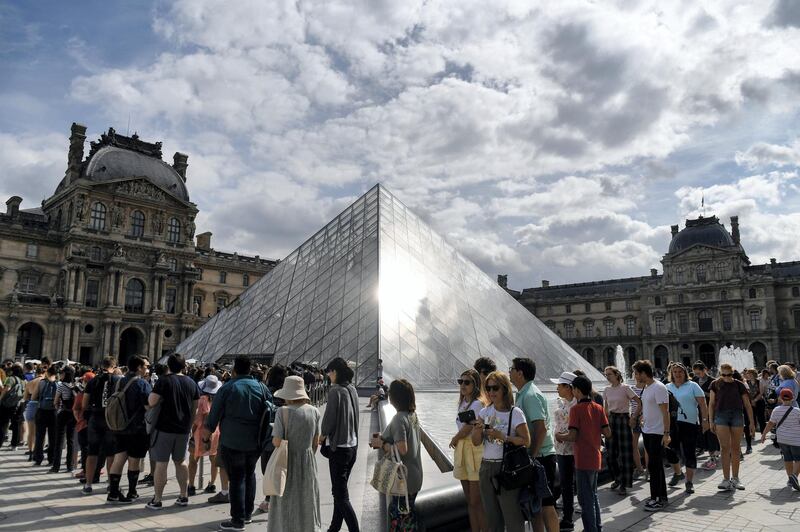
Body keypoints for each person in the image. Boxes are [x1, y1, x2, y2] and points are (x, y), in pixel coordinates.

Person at [204, 355, 273, 532]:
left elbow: (214, 416)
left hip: (232, 441)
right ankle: (247, 515)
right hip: (255, 442)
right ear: (250, 369)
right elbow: (271, 411)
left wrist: (207, 435)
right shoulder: (261, 387)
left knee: (236, 479)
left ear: (234, 369)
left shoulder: (228, 387)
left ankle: (237, 520)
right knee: (250, 475)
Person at [471, 371, 529, 532]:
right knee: (492, 517)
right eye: (487, 388)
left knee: (512, 518)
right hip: (486, 467)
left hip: (506, 469)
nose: (490, 392)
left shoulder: (515, 413)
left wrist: (503, 436)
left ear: (504, 389)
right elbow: (476, 442)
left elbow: (526, 440)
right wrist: (476, 430)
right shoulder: (484, 412)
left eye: (495, 388)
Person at [555, 375, 610, 532]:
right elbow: (607, 432)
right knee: (593, 495)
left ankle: (590, 529)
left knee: (584, 499)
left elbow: (572, 436)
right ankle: (597, 527)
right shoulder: (598, 408)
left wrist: (559, 436)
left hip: (582, 459)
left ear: (577, 390)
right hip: (596, 456)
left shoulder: (576, 409)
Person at [510, 357, 559, 532]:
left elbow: (541, 429)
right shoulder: (524, 392)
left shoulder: (530, 395)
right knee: (536, 505)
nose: (509, 371)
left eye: (512, 368)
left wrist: (532, 455)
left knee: (546, 504)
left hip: (542, 457)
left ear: (520, 373)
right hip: (539, 455)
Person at [268, 375, 322, 532]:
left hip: (286, 462)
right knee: (306, 500)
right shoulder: (314, 411)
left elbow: (277, 441)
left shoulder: (282, 412)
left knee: (285, 502)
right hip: (307, 462)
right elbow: (315, 441)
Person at [147, 354, 199, 509]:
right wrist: (189, 427)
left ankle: (157, 499)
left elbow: (152, 402)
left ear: (168, 366)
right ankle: (184, 495)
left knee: (161, 463)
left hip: (164, 428)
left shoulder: (164, 380)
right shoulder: (191, 383)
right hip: (183, 429)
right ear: (184, 366)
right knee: (181, 462)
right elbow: (194, 408)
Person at [372, 379, 423, 531]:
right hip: (415, 474)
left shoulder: (399, 418)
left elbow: (402, 449)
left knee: (399, 517)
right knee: (407, 513)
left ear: (395, 397)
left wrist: (382, 444)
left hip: (403, 478)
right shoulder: (412, 415)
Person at [320, 358, 360, 532]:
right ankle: (334, 528)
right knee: (339, 491)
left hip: (339, 449)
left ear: (335, 372)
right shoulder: (352, 389)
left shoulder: (335, 391)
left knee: (341, 495)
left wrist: (321, 435)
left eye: (329, 372)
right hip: (352, 447)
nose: (328, 375)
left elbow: (328, 420)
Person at [107, 356, 152, 504]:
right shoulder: (142, 383)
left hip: (119, 426)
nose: (147, 368)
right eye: (145, 366)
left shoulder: (119, 380)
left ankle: (113, 492)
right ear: (139, 367)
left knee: (119, 458)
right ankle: (132, 492)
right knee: (134, 460)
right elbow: (148, 406)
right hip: (137, 427)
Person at [449, 369, 487, 532]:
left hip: (474, 451)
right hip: (463, 451)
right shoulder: (463, 403)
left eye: (467, 382)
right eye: (460, 381)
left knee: (476, 501)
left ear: (475, 385)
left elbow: (469, 427)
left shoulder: (478, 404)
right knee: (470, 501)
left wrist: (455, 438)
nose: (462, 385)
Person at [709, 362, 755, 491]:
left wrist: (751, 422)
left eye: (729, 374)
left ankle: (735, 478)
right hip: (721, 415)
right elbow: (711, 404)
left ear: (733, 373)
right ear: (720, 374)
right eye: (724, 375)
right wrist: (711, 421)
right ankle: (725, 479)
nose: (726, 377)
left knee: (735, 448)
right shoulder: (715, 384)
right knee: (724, 448)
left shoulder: (739, 385)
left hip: (737, 415)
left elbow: (747, 404)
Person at [632, 360, 670, 512]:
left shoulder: (659, 387)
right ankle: (661, 496)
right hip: (647, 430)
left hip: (657, 432)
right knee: (655, 466)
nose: (634, 376)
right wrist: (642, 418)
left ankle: (656, 499)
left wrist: (666, 433)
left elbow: (665, 412)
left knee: (654, 467)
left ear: (643, 373)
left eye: (636, 373)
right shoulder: (646, 388)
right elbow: (649, 407)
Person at [664, 363, 708, 494]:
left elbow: (702, 404)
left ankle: (689, 482)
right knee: (669, 450)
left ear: (685, 373)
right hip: (672, 424)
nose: (677, 374)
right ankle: (678, 473)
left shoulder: (692, 385)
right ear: (671, 373)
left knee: (689, 452)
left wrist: (705, 420)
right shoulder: (667, 387)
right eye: (675, 372)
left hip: (689, 423)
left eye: (680, 372)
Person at [82, 357, 121, 494]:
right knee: (111, 454)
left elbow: (84, 404)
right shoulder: (118, 381)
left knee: (92, 452)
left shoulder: (93, 381)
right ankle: (111, 484)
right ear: (114, 366)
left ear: (101, 365)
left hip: (95, 418)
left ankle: (88, 484)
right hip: (111, 420)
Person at [602, 365, 641, 496]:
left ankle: (624, 483)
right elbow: (605, 409)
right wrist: (604, 424)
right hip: (611, 420)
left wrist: (634, 417)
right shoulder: (606, 389)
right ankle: (617, 478)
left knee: (625, 453)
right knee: (610, 454)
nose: (607, 376)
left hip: (624, 419)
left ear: (617, 375)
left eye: (609, 374)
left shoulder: (626, 388)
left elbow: (639, 402)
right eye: (606, 374)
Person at [255, 364, 287, 512]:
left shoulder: (266, 391)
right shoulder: (288, 394)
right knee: (282, 470)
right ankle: (280, 499)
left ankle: (269, 500)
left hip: (269, 436)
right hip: (286, 437)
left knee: (267, 469)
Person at [550, 371, 577, 531]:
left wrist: (561, 435)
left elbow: (573, 431)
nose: (557, 388)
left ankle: (568, 518)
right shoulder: (564, 403)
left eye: (559, 385)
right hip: (561, 449)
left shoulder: (574, 405)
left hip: (569, 451)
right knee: (566, 484)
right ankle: (567, 515)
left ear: (568, 387)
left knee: (567, 485)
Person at [188, 374, 221, 497]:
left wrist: (192, 431)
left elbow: (197, 420)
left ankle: (191, 485)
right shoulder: (219, 400)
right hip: (215, 432)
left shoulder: (201, 400)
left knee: (193, 460)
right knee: (214, 460)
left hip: (200, 433)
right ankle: (212, 484)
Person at [761, 388, 800, 491]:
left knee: (787, 459)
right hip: (796, 439)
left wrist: (764, 434)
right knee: (798, 459)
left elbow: (770, 423)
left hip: (782, 439)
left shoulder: (776, 410)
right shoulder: (797, 411)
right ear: (792, 399)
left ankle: (789, 479)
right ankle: (794, 477)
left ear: (780, 398)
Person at [692, 361, 719, 469]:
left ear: (705, 370)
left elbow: (717, 397)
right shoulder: (694, 381)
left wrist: (703, 394)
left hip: (710, 410)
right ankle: (710, 453)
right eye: (696, 374)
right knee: (702, 433)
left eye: (699, 373)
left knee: (711, 433)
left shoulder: (713, 381)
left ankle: (713, 457)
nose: (698, 376)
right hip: (697, 410)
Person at [51, 366, 77, 473]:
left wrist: (57, 408)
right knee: (70, 440)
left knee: (59, 440)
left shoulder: (61, 386)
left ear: (65, 374)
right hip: (73, 414)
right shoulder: (75, 385)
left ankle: (56, 466)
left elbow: (56, 401)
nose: (60, 375)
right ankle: (69, 466)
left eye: (61, 373)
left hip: (63, 413)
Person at [32, 365, 59, 467]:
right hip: (54, 412)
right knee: (53, 436)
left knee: (40, 436)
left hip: (42, 411)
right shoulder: (59, 384)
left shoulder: (42, 382)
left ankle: (38, 458)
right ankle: (51, 459)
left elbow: (34, 397)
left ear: (47, 373)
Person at [73, 371, 94, 481]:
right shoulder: (98, 394)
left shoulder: (81, 395)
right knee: (95, 449)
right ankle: (96, 469)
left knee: (85, 449)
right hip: (95, 425)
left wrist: (79, 420)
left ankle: (86, 470)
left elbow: (76, 410)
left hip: (83, 425)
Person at [0, 364, 25, 451]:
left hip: (8, 404)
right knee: (16, 424)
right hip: (19, 404)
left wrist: (1, 398)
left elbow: (6, 389)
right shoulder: (23, 380)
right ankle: (15, 444)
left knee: (3, 423)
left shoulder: (11, 378)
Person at [745, 369, 766, 436]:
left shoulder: (759, 381)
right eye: (748, 374)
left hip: (759, 401)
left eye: (750, 374)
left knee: (761, 418)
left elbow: (761, 392)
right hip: (750, 402)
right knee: (751, 418)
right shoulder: (746, 382)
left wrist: (755, 400)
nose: (749, 375)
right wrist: (751, 401)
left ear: (754, 374)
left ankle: (763, 433)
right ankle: (752, 433)